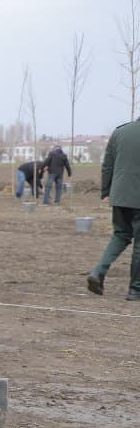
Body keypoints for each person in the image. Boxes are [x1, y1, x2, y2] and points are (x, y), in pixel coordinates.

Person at [87, 117, 140, 301]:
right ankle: (135, 289)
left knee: (120, 235)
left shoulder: (120, 132)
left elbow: (107, 164)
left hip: (119, 195)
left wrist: (106, 191)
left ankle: (98, 272)